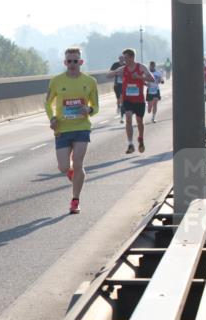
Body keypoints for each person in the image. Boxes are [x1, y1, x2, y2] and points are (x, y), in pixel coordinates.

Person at [45, 47, 99, 214]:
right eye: (69, 61)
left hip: (82, 128)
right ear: (65, 62)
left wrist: (89, 110)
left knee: (77, 163)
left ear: (81, 62)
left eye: (76, 61)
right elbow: (48, 103)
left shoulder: (90, 81)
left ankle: (75, 200)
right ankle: (72, 174)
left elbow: (96, 106)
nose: (72, 64)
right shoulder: (56, 81)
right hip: (62, 128)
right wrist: (52, 118)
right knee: (63, 167)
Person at [106, 48, 154, 154]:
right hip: (127, 99)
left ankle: (141, 139)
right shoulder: (123, 69)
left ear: (132, 57)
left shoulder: (141, 67)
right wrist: (115, 72)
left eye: (126, 58)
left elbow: (152, 79)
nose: (124, 60)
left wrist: (139, 77)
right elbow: (108, 75)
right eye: (123, 58)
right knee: (128, 118)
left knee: (139, 121)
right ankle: (130, 143)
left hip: (139, 100)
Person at [110, 54, 126, 119]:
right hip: (117, 84)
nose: (121, 59)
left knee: (122, 96)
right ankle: (118, 106)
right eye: (120, 58)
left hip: (124, 83)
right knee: (118, 98)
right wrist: (117, 73)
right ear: (119, 59)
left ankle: (122, 107)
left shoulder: (126, 65)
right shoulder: (115, 65)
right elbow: (111, 72)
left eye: (123, 58)